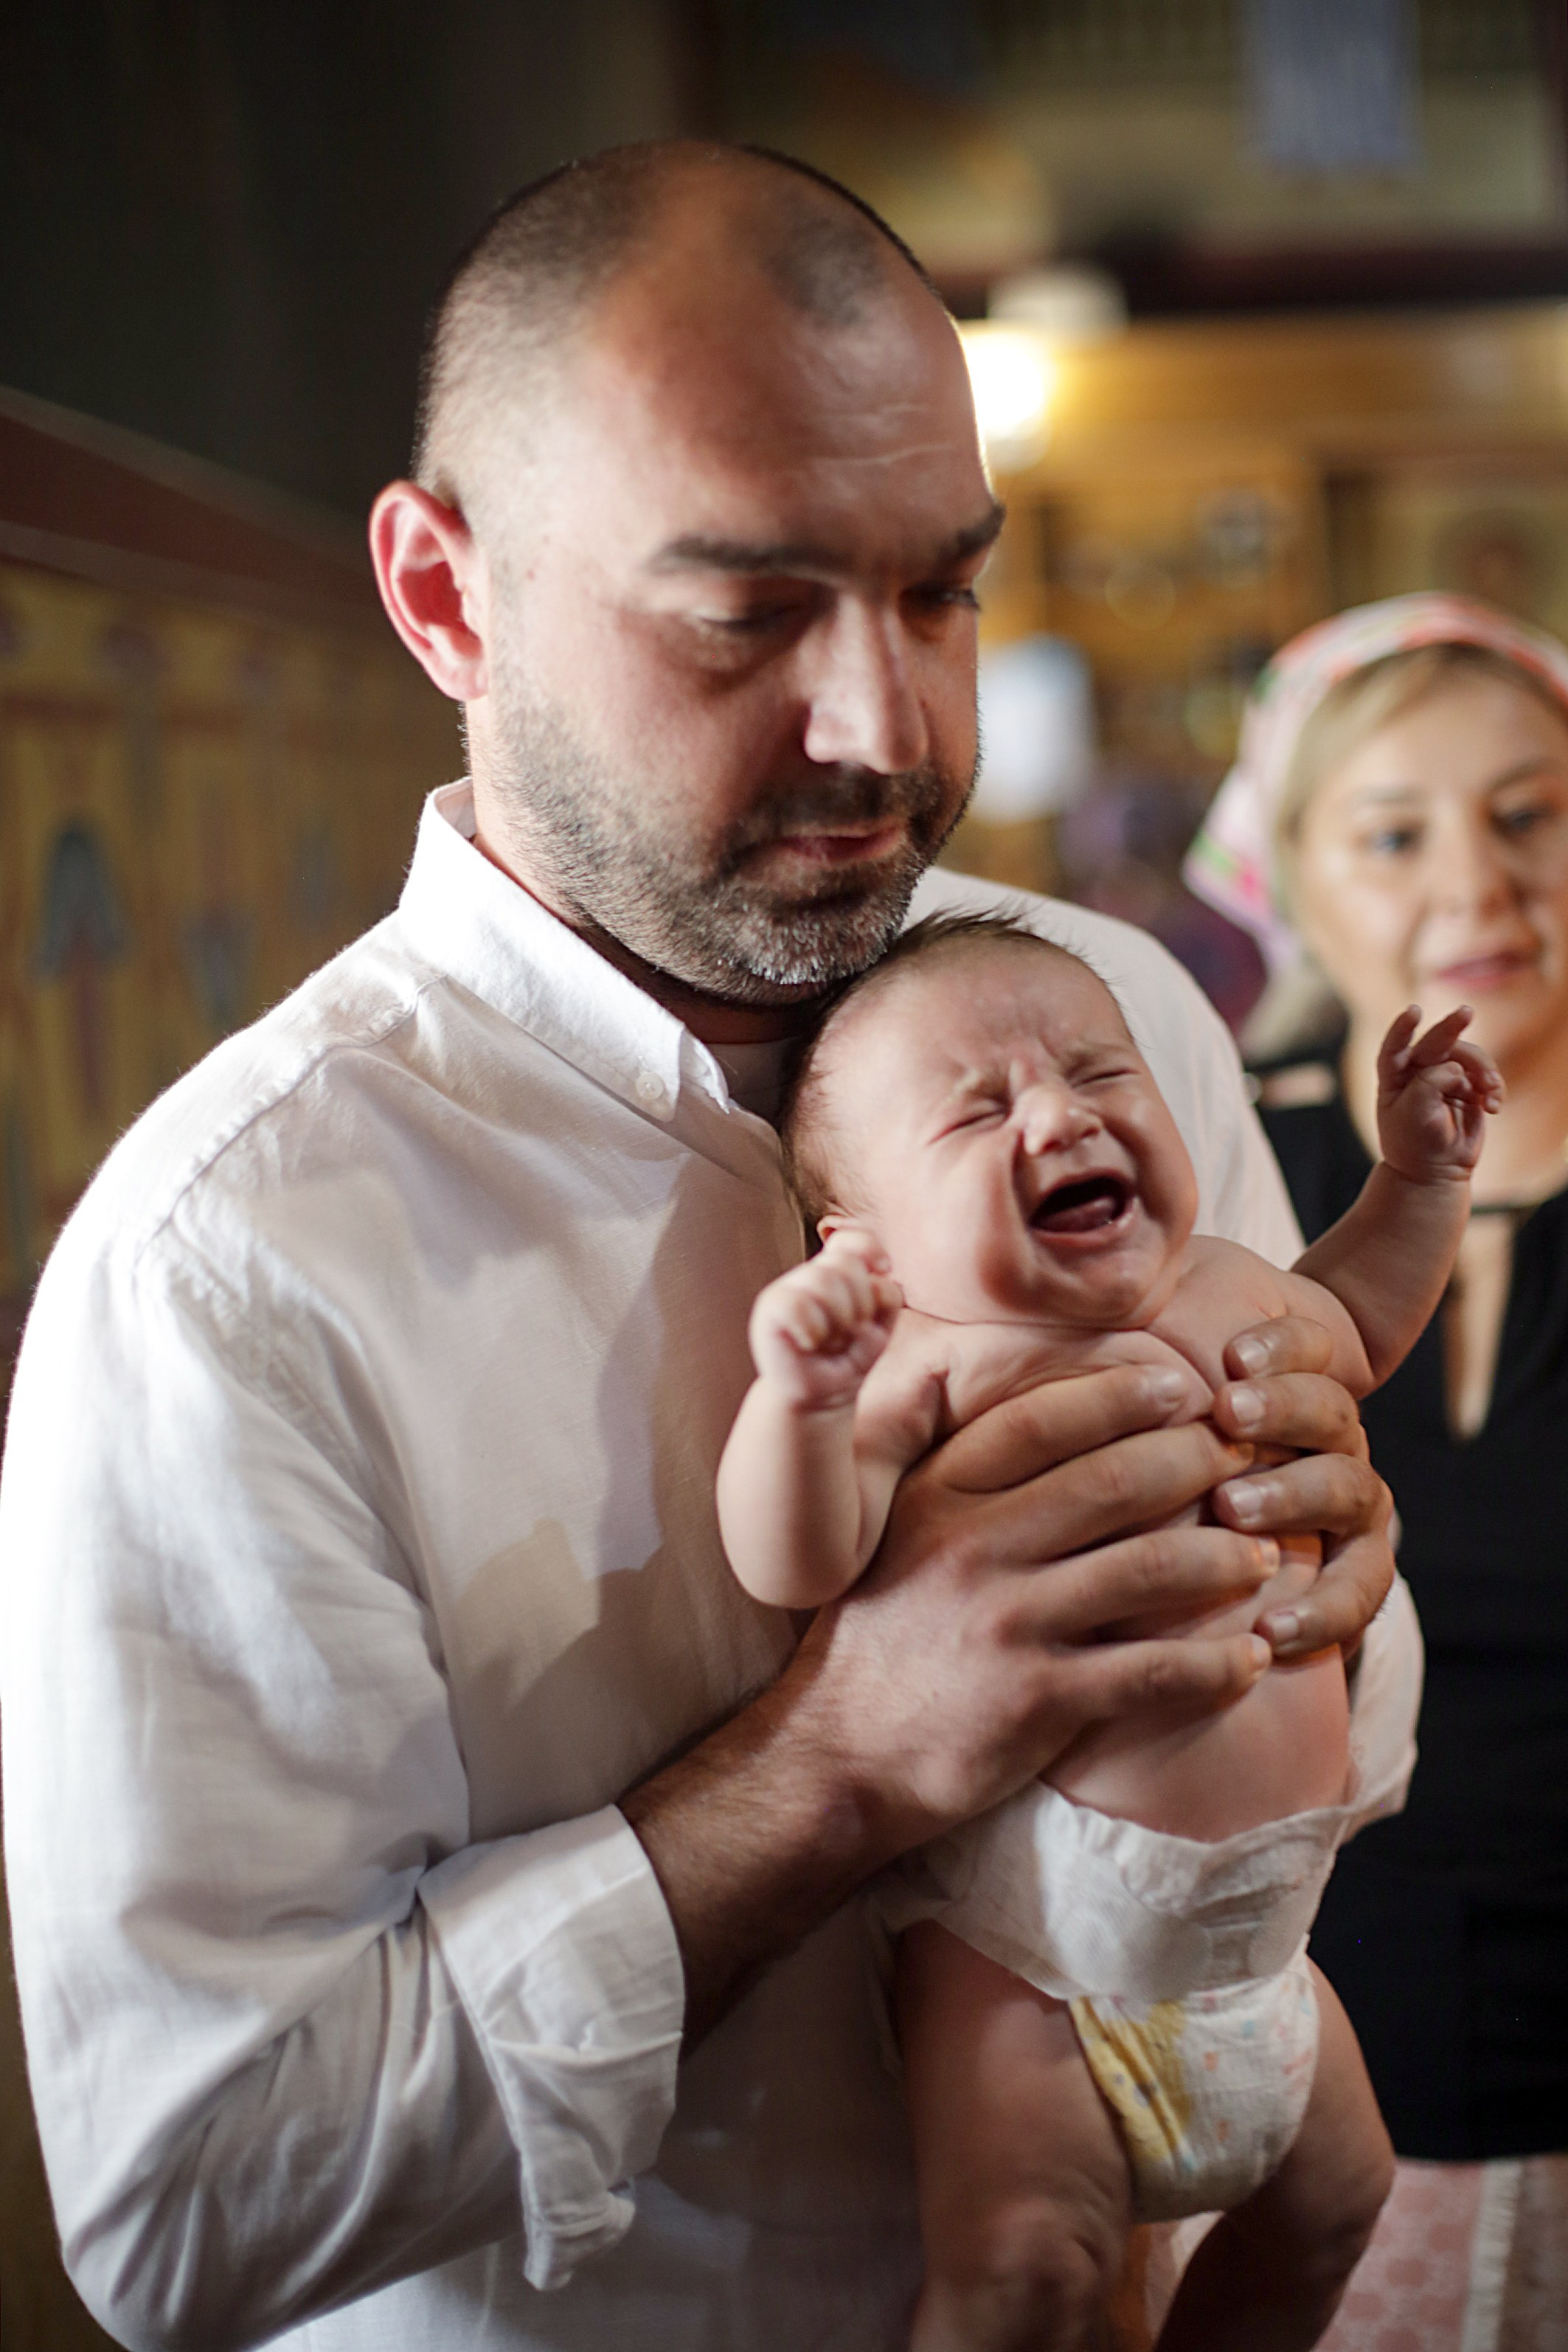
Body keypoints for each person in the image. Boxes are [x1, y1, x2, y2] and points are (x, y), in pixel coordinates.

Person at [1, 145, 1406, 2352]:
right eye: (745, 615)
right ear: (445, 595)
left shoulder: (1105, 1017)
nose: (887, 727)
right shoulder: (231, 1263)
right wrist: (835, 1767)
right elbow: (185, 2204)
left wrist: (1318, 1562)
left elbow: (1329, 1721)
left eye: (942, 592)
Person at [721, 915, 1496, 2351]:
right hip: (1039, 1954)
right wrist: (801, 1398)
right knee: (1024, 2269)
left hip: (1260, 1944)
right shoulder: (928, 1364)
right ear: (863, 1246)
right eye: (978, 1106)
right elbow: (793, 1556)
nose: (1060, 1112)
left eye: (1098, 1071)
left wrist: (1416, 1178)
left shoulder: (1236, 1282)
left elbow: (1363, 1326)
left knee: (1337, 2201)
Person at [1187, 593, 1568, 2252]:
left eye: (1530, 814)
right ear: (1287, 876)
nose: (1474, 885)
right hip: (1293, 2096)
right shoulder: (1200, 1191)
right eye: (1394, 830)